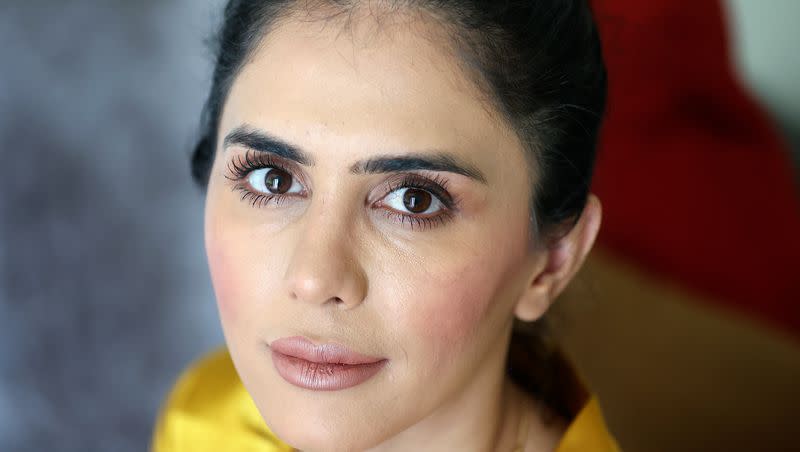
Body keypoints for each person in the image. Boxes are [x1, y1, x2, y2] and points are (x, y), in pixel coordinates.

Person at [152, 0, 619, 450]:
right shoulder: (206, 425)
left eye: (413, 201)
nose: (315, 279)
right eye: (273, 179)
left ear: (552, 262)